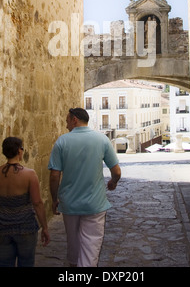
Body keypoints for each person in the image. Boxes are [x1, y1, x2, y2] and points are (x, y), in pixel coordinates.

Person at [48, 108, 121, 268]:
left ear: (74, 119)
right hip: (95, 204)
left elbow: (54, 176)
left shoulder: (62, 142)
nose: (66, 125)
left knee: (73, 243)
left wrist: (54, 199)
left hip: (69, 204)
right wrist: (113, 182)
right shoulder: (102, 140)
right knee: (91, 247)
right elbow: (116, 171)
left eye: (67, 120)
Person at [0, 136, 50, 267]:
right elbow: (37, 203)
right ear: (19, 151)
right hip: (25, 226)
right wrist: (45, 227)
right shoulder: (29, 174)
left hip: (2, 226)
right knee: (26, 262)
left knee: (5, 263)